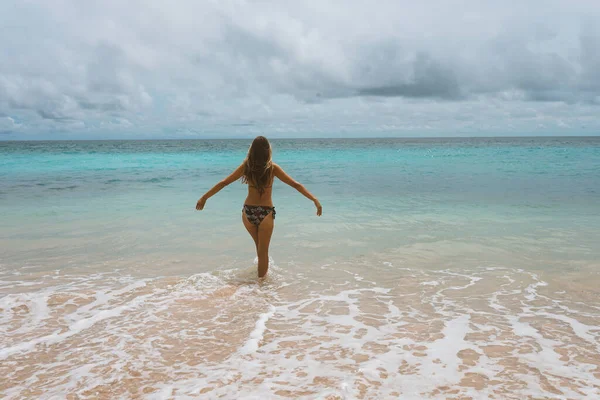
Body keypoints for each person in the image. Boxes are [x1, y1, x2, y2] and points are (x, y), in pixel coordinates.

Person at [196, 136, 322, 278]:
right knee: (263, 253)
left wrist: (204, 197)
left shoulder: (246, 167)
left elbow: (224, 182)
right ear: (268, 151)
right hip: (266, 213)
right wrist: (314, 199)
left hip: (248, 212)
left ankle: (257, 288)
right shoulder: (273, 168)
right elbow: (295, 184)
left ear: (252, 150)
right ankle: (261, 288)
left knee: (260, 250)